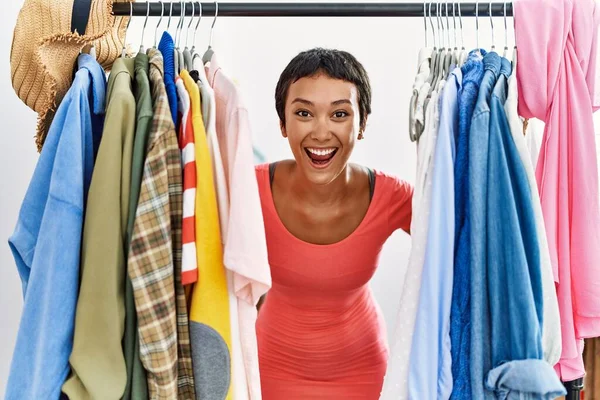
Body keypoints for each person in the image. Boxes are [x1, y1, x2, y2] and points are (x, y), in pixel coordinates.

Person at [254, 47, 414, 399]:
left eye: (339, 113)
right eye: (304, 113)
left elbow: (465, 237)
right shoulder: (248, 188)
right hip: (271, 367)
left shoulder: (390, 195)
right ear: (283, 122)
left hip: (365, 369)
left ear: (362, 124)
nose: (321, 132)